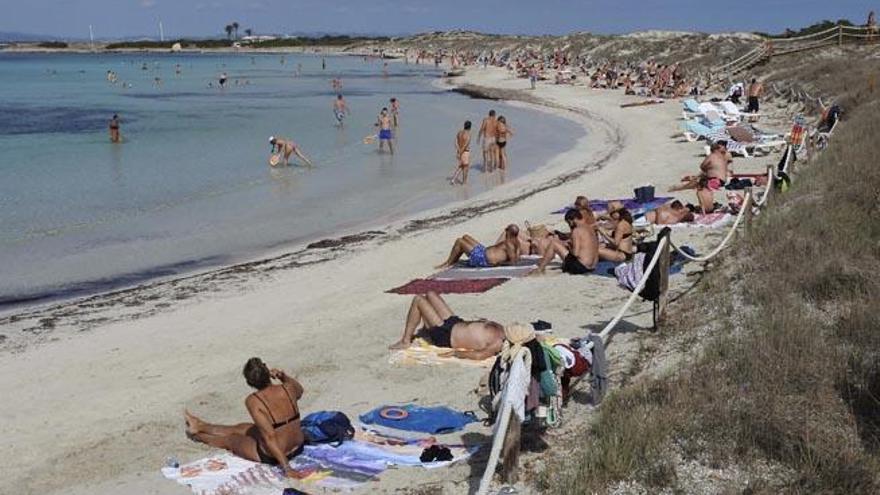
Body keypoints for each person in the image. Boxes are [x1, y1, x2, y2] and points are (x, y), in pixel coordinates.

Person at [183, 358, 304, 475]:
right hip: (298, 446)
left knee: (232, 440)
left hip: (275, 455)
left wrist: (287, 468)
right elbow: (300, 391)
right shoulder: (288, 387)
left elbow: (270, 437)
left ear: (249, 382)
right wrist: (282, 376)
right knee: (244, 428)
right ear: (267, 372)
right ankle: (200, 425)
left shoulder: (254, 401)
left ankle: (198, 436)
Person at [388, 292, 505, 360]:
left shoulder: (497, 343)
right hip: (456, 322)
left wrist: (455, 353)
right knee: (430, 293)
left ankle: (405, 340)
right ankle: (426, 328)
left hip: (445, 335)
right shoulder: (502, 330)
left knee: (418, 299)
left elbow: (479, 355)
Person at [535, 208, 598, 274]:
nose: (569, 225)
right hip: (593, 266)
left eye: (569, 223)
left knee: (554, 244)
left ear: (572, 220)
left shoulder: (576, 230)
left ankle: (540, 269)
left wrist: (569, 246)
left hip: (582, 267)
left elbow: (576, 253)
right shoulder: (591, 229)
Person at [435, 224, 522, 269]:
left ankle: (448, 263)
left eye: (506, 230)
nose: (505, 230)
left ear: (509, 232)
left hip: (483, 259)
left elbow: (513, 261)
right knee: (466, 236)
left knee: (459, 241)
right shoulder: (516, 241)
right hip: (483, 252)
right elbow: (517, 257)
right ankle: (452, 260)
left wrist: (498, 263)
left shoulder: (509, 244)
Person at [451, 120, 472, 185]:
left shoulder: (459, 132)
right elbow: (465, 145)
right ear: (470, 127)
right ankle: (464, 182)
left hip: (460, 150)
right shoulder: (468, 135)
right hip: (465, 152)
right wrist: (460, 153)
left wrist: (458, 150)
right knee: (466, 167)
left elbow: (455, 141)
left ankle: (454, 179)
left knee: (461, 166)